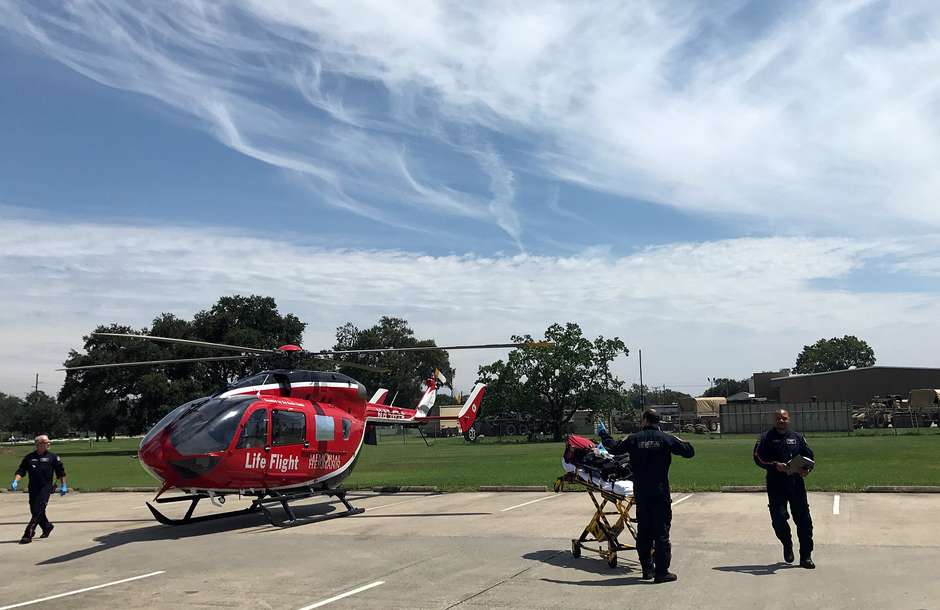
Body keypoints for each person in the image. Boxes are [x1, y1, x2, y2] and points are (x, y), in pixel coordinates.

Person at [597, 409, 694, 583]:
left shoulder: (634, 438)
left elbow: (615, 448)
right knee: (661, 532)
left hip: (642, 492)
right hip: (660, 491)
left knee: (644, 532)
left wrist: (604, 434)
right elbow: (689, 451)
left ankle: (647, 569)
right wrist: (675, 441)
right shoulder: (666, 438)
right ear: (657, 421)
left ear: (644, 420)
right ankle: (662, 572)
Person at [753, 409, 815, 569]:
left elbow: (809, 456)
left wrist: (806, 469)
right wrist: (775, 465)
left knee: (804, 521)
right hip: (776, 484)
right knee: (779, 519)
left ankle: (806, 556)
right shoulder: (766, 438)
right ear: (774, 420)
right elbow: (758, 457)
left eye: (784, 418)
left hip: (796, 484)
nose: (781, 421)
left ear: (789, 420)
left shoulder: (797, 438)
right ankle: (787, 543)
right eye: (778, 418)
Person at [11, 435, 68, 544]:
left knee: (38, 510)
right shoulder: (29, 457)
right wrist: (15, 481)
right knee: (35, 510)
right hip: (33, 487)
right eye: (46, 442)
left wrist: (63, 485)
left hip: (46, 487)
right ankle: (47, 526)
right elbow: (21, 471)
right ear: (38, 444)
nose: (48, 444)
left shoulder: (53, 457)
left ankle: (28, 534)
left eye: (48, 442)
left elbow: (60, 472)